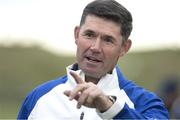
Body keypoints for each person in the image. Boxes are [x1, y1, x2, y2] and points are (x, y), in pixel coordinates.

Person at [17, 0, 169, 119]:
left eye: (108, 40)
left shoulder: (147, 104)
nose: (95, 47)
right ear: (77, 35)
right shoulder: (39, 97)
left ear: (124, 47)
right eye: (89, 35)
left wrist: (110, 109)